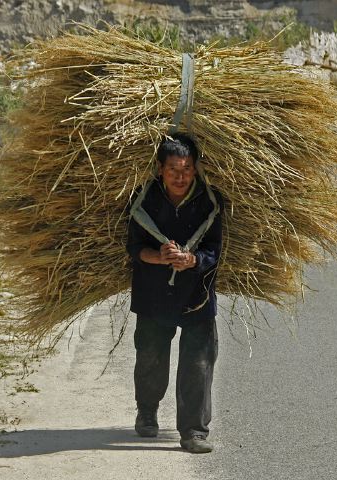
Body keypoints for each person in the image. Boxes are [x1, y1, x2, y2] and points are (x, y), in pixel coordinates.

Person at [126, 133, 224, 454]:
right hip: (153, 292)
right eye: (173, 169)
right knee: (151, 356)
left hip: (197, 293)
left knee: (198, 362)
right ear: (160, 170)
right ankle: (148, 411)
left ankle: (194, 430)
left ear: (195, 170)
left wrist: (192, 260)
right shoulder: (144, 199)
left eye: (186, 169)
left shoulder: (210, 202)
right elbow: (134, 246)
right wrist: (159, 256)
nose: (180, 177)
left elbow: (214, 250)